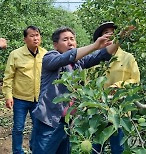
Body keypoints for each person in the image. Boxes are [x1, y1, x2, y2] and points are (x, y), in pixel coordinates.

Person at [32, 26, 119, 154]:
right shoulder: (49, 57)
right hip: (48, 122)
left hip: (66, 124)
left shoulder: (78, 63)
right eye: (65, 39)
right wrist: (94, 46)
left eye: (72, 39)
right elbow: (66, 57)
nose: (70, 42)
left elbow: (101, 55)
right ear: (56, 45)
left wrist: (121, 37)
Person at [92, 22, 140, 154]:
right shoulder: (94, 59)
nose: (109, 34)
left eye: (112, 32)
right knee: (95, 148)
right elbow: (88, 83)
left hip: (120, 112)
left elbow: (135, 80)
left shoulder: (127, 58)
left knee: (118, 149)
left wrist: (118, 86)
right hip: (98, 111)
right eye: (105, 32)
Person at [2, 26, 47, 154]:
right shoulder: (16, 54)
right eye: (32, 36)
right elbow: (8, 77)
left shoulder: (45, 54)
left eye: (37, 35)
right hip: (20, 98)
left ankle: (35, 149)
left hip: (38, 98)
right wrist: (8, 95)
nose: (35, 38)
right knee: (18, 128)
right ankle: (17, 151)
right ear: (25, 39)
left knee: (38, 127)